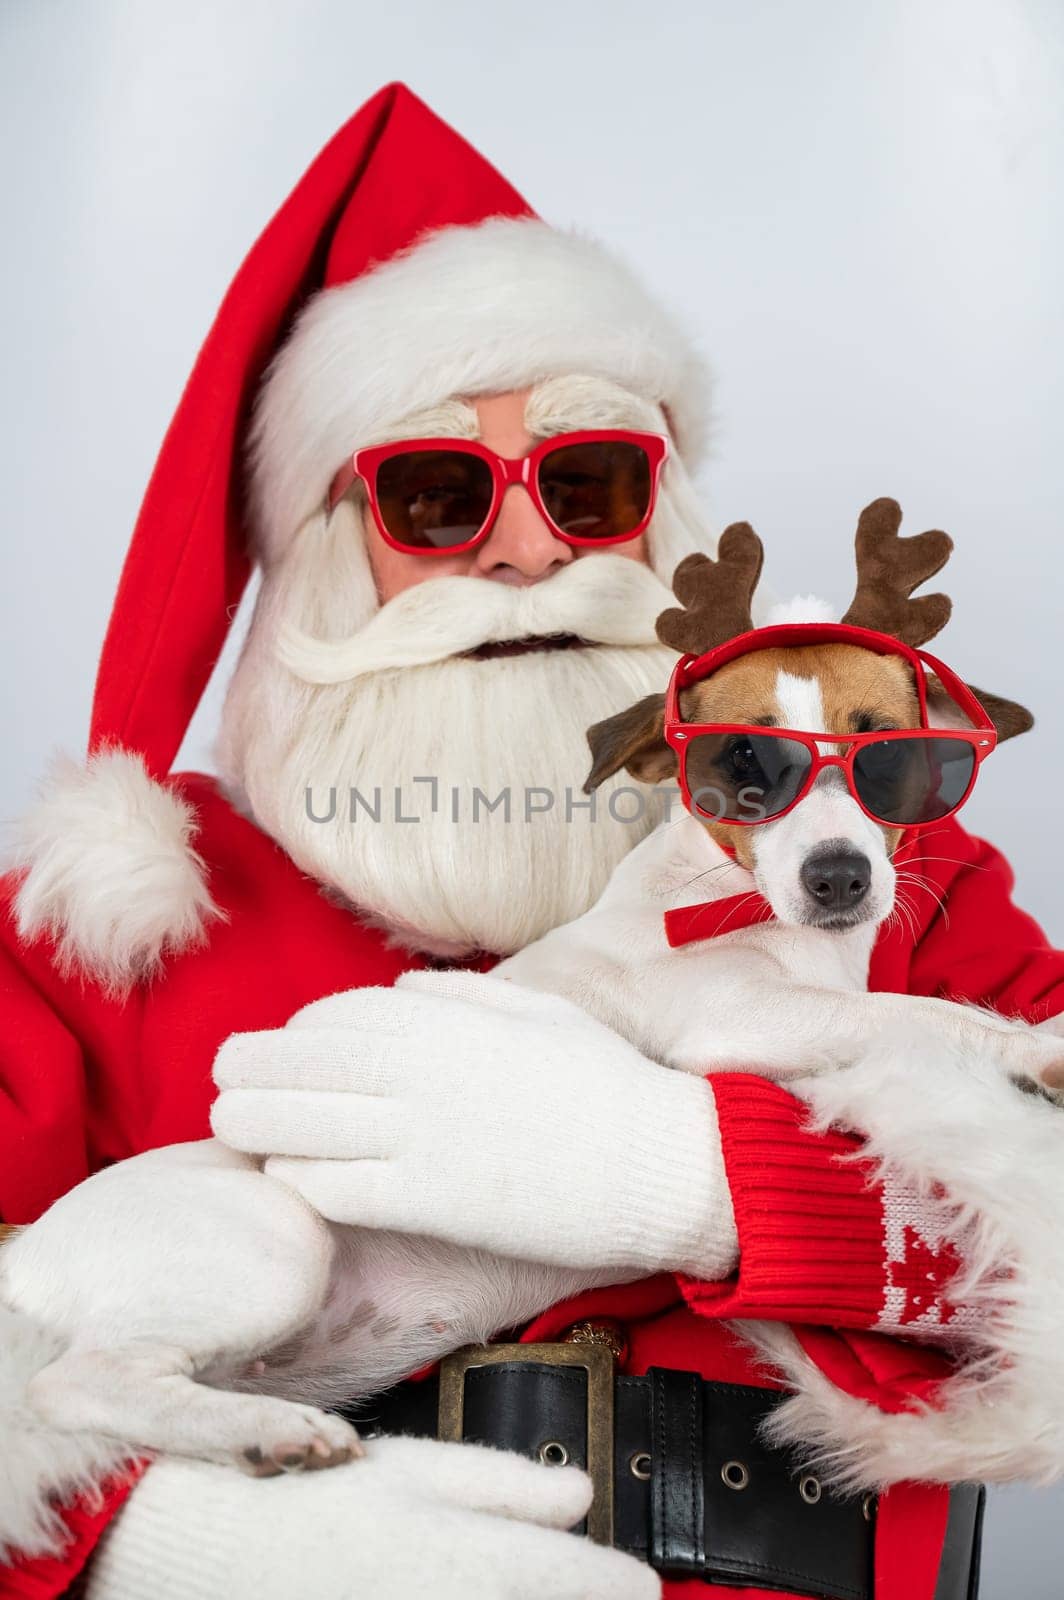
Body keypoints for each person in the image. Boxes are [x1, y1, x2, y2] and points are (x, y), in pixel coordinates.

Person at [2, 83, 1063, 1600]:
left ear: (663, 519)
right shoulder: (86, 931)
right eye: (433, 495)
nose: (523, 548)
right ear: (321, 556)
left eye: (588, 482)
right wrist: (130, 1543)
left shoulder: (890, 887)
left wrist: (708, 1185)